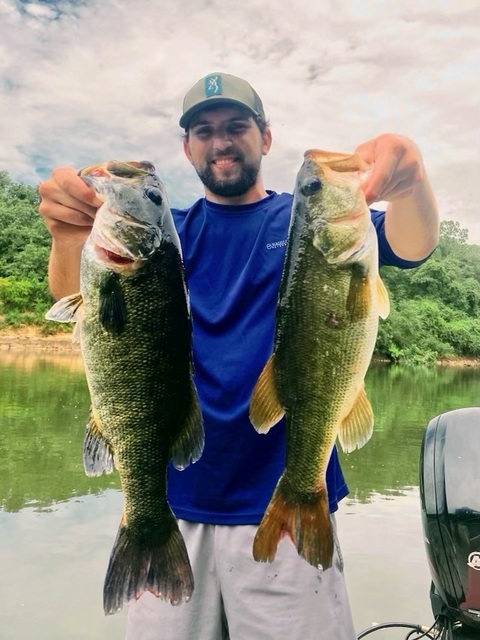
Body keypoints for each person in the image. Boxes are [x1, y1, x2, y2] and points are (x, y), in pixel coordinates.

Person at [38, 72, 439, 640]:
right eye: (204, 131)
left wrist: (411, 179)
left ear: (265, 138)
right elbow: (74, 300)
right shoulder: (165, 235)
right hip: (172, 500)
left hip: (289, 501)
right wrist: (63, 231)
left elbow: (412, 244)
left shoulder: (305, 223)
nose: (220, 141)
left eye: (236, 127)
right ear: (187, 149)